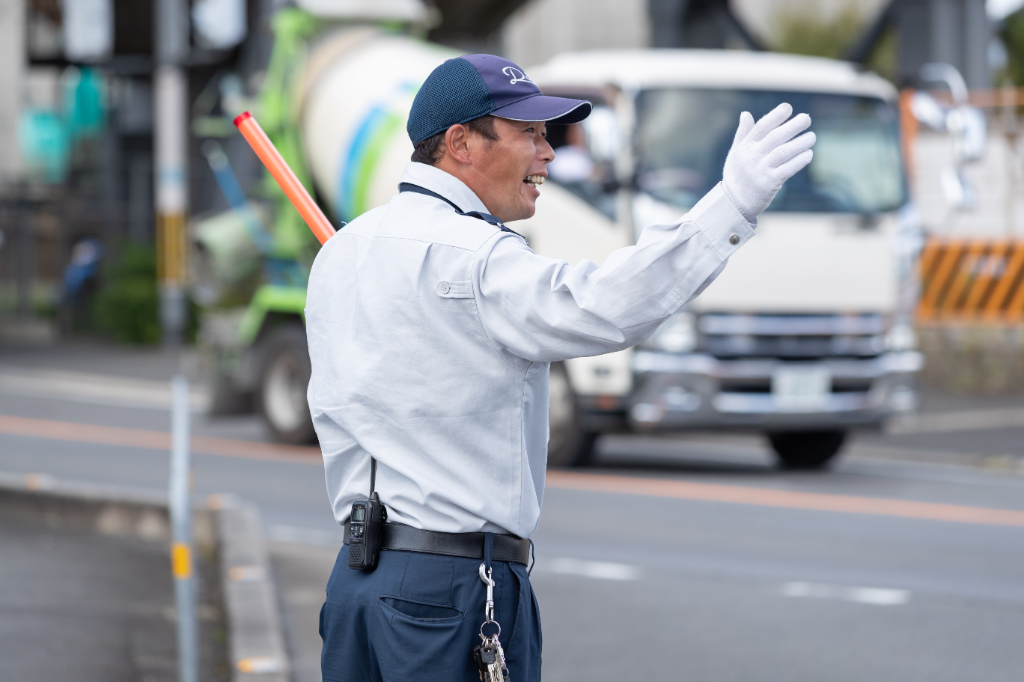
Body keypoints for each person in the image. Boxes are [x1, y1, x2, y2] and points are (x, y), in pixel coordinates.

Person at [306, 53, 815, 682]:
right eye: (530, 133)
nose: (550, 153)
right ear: (460, 143)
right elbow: (605, 307)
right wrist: (728, 206)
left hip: (356, 586)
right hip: (454, 588)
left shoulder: (341, 251)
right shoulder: (479, 258)